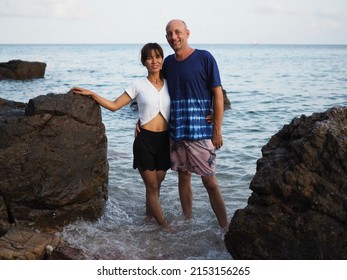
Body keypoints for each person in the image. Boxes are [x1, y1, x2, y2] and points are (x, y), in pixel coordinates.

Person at [71, 43, 171, 229]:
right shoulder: (137, 84)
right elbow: (115, 105)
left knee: (158, 185)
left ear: (162, 60)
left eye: (157, 57)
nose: (154, 61)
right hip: (145, 141)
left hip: (165, 141)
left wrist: (209, 113)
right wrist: (92, 94)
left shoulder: (170, 83)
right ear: (144, 62)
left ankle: (148, 221)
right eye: (149, 58)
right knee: (152, 187)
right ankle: (164, 226)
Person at [163, 19, 228, 231]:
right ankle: (187, 222)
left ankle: (225, 228)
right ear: (166, 38)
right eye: (170, 33)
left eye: (178, 32)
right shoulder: (168, 64)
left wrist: (217, 130)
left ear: (187, 33)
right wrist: (141, 119)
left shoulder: (204, 58)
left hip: (201, 132)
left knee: (210, 182)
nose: (174, 37)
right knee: (183, 177)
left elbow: (217, 94)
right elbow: (157, 93)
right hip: (177, 132)